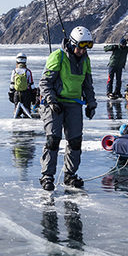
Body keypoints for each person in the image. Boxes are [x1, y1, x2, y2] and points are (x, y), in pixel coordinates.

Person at [40, 26, 98, 191]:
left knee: (75, 141)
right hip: (54, 104)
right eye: (81, 46)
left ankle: (69, 175)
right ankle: (47, 176)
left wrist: (91, 103)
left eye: (88, 46)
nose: (83, 50)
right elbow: (44, 83)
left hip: (73, 104)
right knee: (53, 140)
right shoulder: (58, 57)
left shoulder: (86, 60)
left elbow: (88, 85)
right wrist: (51, 101)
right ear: (73, 44)